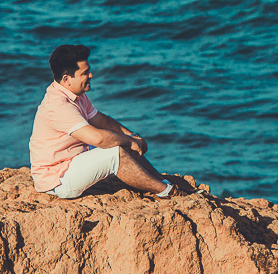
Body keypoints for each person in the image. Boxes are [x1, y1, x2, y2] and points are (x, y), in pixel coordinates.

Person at [28, 44, 178, 199]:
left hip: (72, 164)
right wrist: (130, 142)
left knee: (121, 142)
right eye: (85, 73)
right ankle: (167, 191)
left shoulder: (76, 95)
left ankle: (162, 181)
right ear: (66, 79)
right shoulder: (58, 105)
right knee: (116, 151)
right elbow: (98, 138)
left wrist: (132, 136)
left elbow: (102, 121)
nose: (91, 75)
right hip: (57, 179)